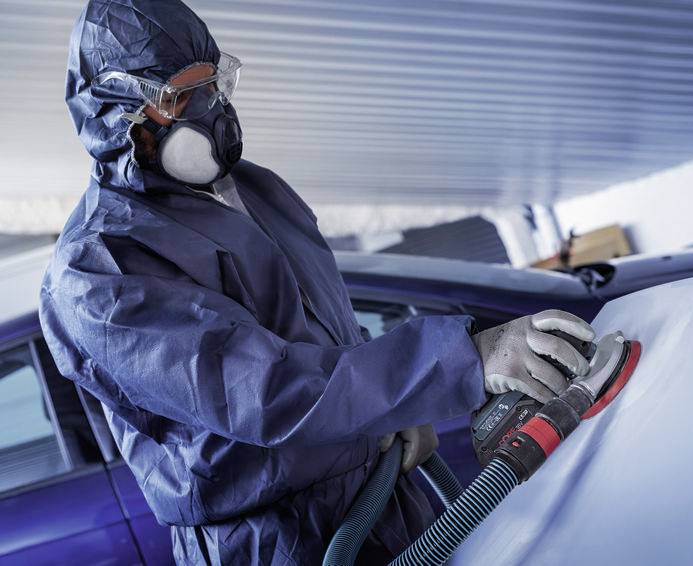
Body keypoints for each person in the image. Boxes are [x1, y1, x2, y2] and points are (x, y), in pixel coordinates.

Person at [39, 1, 595, 564]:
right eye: (178, 97)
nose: (208, 111)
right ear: (117, 113)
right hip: (274, 541)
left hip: (382, 492)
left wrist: (396, 412)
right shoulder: (98, 268)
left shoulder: (256, 191)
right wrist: (463, 361)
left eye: (211, 83)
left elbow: (328, 331)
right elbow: (261, 391)